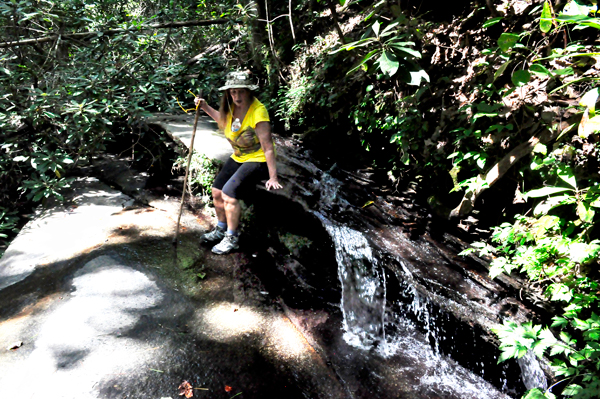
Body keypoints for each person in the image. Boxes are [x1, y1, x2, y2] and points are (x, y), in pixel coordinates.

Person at [194, 71, 282, 254]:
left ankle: (232, 238)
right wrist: (205, 107)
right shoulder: (230, 106)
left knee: (228, 192)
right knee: (216, 190)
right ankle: (221, 228)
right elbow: (224, 122)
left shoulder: (259, 112)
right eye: (233, 92)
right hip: (239, 157)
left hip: (258, 160)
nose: (236, 96)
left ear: (249, 92)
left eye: (240, 92)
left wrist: (273, 176)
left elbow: (268, 147)